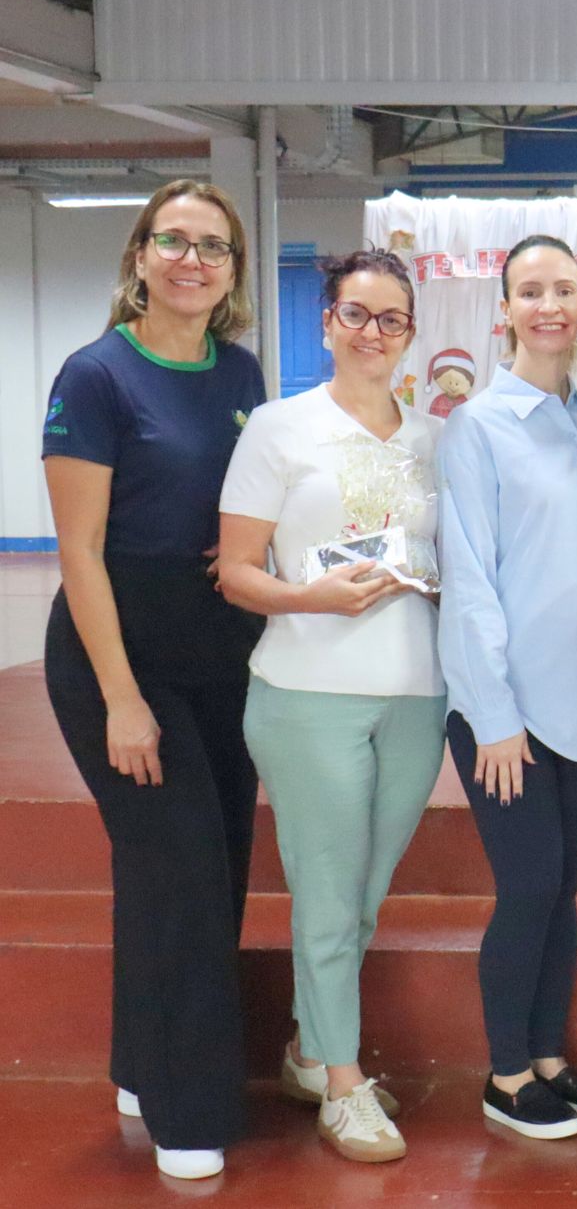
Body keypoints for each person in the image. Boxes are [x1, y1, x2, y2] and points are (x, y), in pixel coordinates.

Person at [40, 181, 266, 1180]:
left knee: (205, 874)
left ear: (230, 275)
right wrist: (123, 698)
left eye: (212, 248)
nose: (191, 259)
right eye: (172, 240)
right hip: (116, 658)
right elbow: (80, 555)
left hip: (222, 655)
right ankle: (189, 1112)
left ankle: (143, 1061)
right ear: (139, 256)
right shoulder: (94, 376)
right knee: (179, 876)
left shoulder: (242, 372)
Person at [216, 250, 443, 1162]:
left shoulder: (432, 439)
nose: (372, 334)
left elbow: (445, 560)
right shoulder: (279, 428)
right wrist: (314, 599)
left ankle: (313, 1049)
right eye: (356, 314)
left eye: (391, 319)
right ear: (327, 322)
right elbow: (234, 572)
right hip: (307, 693)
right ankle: (344, 1087)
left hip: (415, 698)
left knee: (363, 895)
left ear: (411, 334)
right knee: (324, 893)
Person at [438, 234, 577, 1139]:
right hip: (506, 714)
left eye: (564, 289)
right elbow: (470, 575)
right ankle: (507, 1071)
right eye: (530, 291)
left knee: (562, 890)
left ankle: (550, 1054)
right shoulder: (478, 426)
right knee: (527, 886)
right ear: (505, 313)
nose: (548, 305)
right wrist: (493, 717)